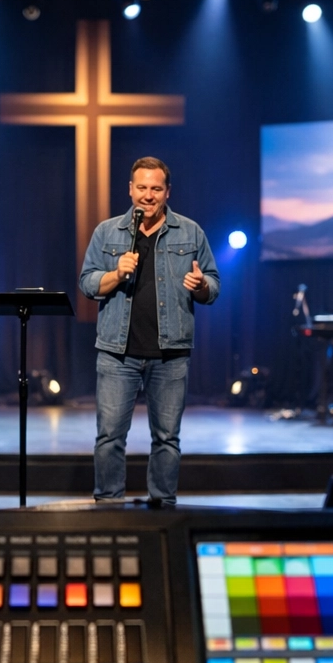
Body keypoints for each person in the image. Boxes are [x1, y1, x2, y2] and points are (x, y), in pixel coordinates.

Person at [79, 157, 220, 505]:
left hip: (170, 354)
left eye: (156, 188)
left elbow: (213, 287)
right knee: (110, 437)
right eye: (141, 187)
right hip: (117, 352)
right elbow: (86, 283)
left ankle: (163, 508)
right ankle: (110, 506)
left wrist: (200, 285)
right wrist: (115, 274)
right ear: (130, 189)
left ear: (167, 192)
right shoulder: (107, 232)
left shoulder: (190, 232)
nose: (148, 195)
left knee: (167, 438)